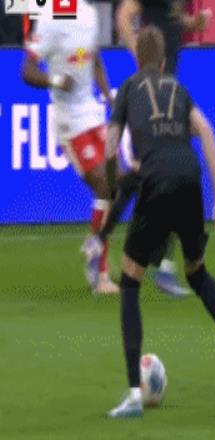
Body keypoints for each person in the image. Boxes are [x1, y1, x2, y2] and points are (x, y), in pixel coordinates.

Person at [84, 26, 215, 418]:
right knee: (197, 272)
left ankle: (133, 395)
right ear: (162, 62)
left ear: (138, 60)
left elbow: (111, 142)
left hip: (155, 179)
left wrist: (113, 182)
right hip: (190, 177)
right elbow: (206, 131)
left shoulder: (129, 89)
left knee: (129, 282)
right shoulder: (178, 88)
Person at [94, 0, 212, 297]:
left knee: (147, 175)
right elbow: (124, 15)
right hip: (154, 92)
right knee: (168, 172)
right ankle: (160, 264)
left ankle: (103, 241)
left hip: (167, 86)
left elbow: (171, 18)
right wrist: (141, 55)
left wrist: (193, 24)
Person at [22, 0, 118, 295]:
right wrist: (55, 80)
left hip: (92, 113)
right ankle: (100, 272)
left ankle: (95, 246)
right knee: (103, 184)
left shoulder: (89, 14)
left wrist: (108, 97)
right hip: (68, 121)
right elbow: (27, 70)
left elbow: (95, 59)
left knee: (118, 183)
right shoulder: (49, 17)